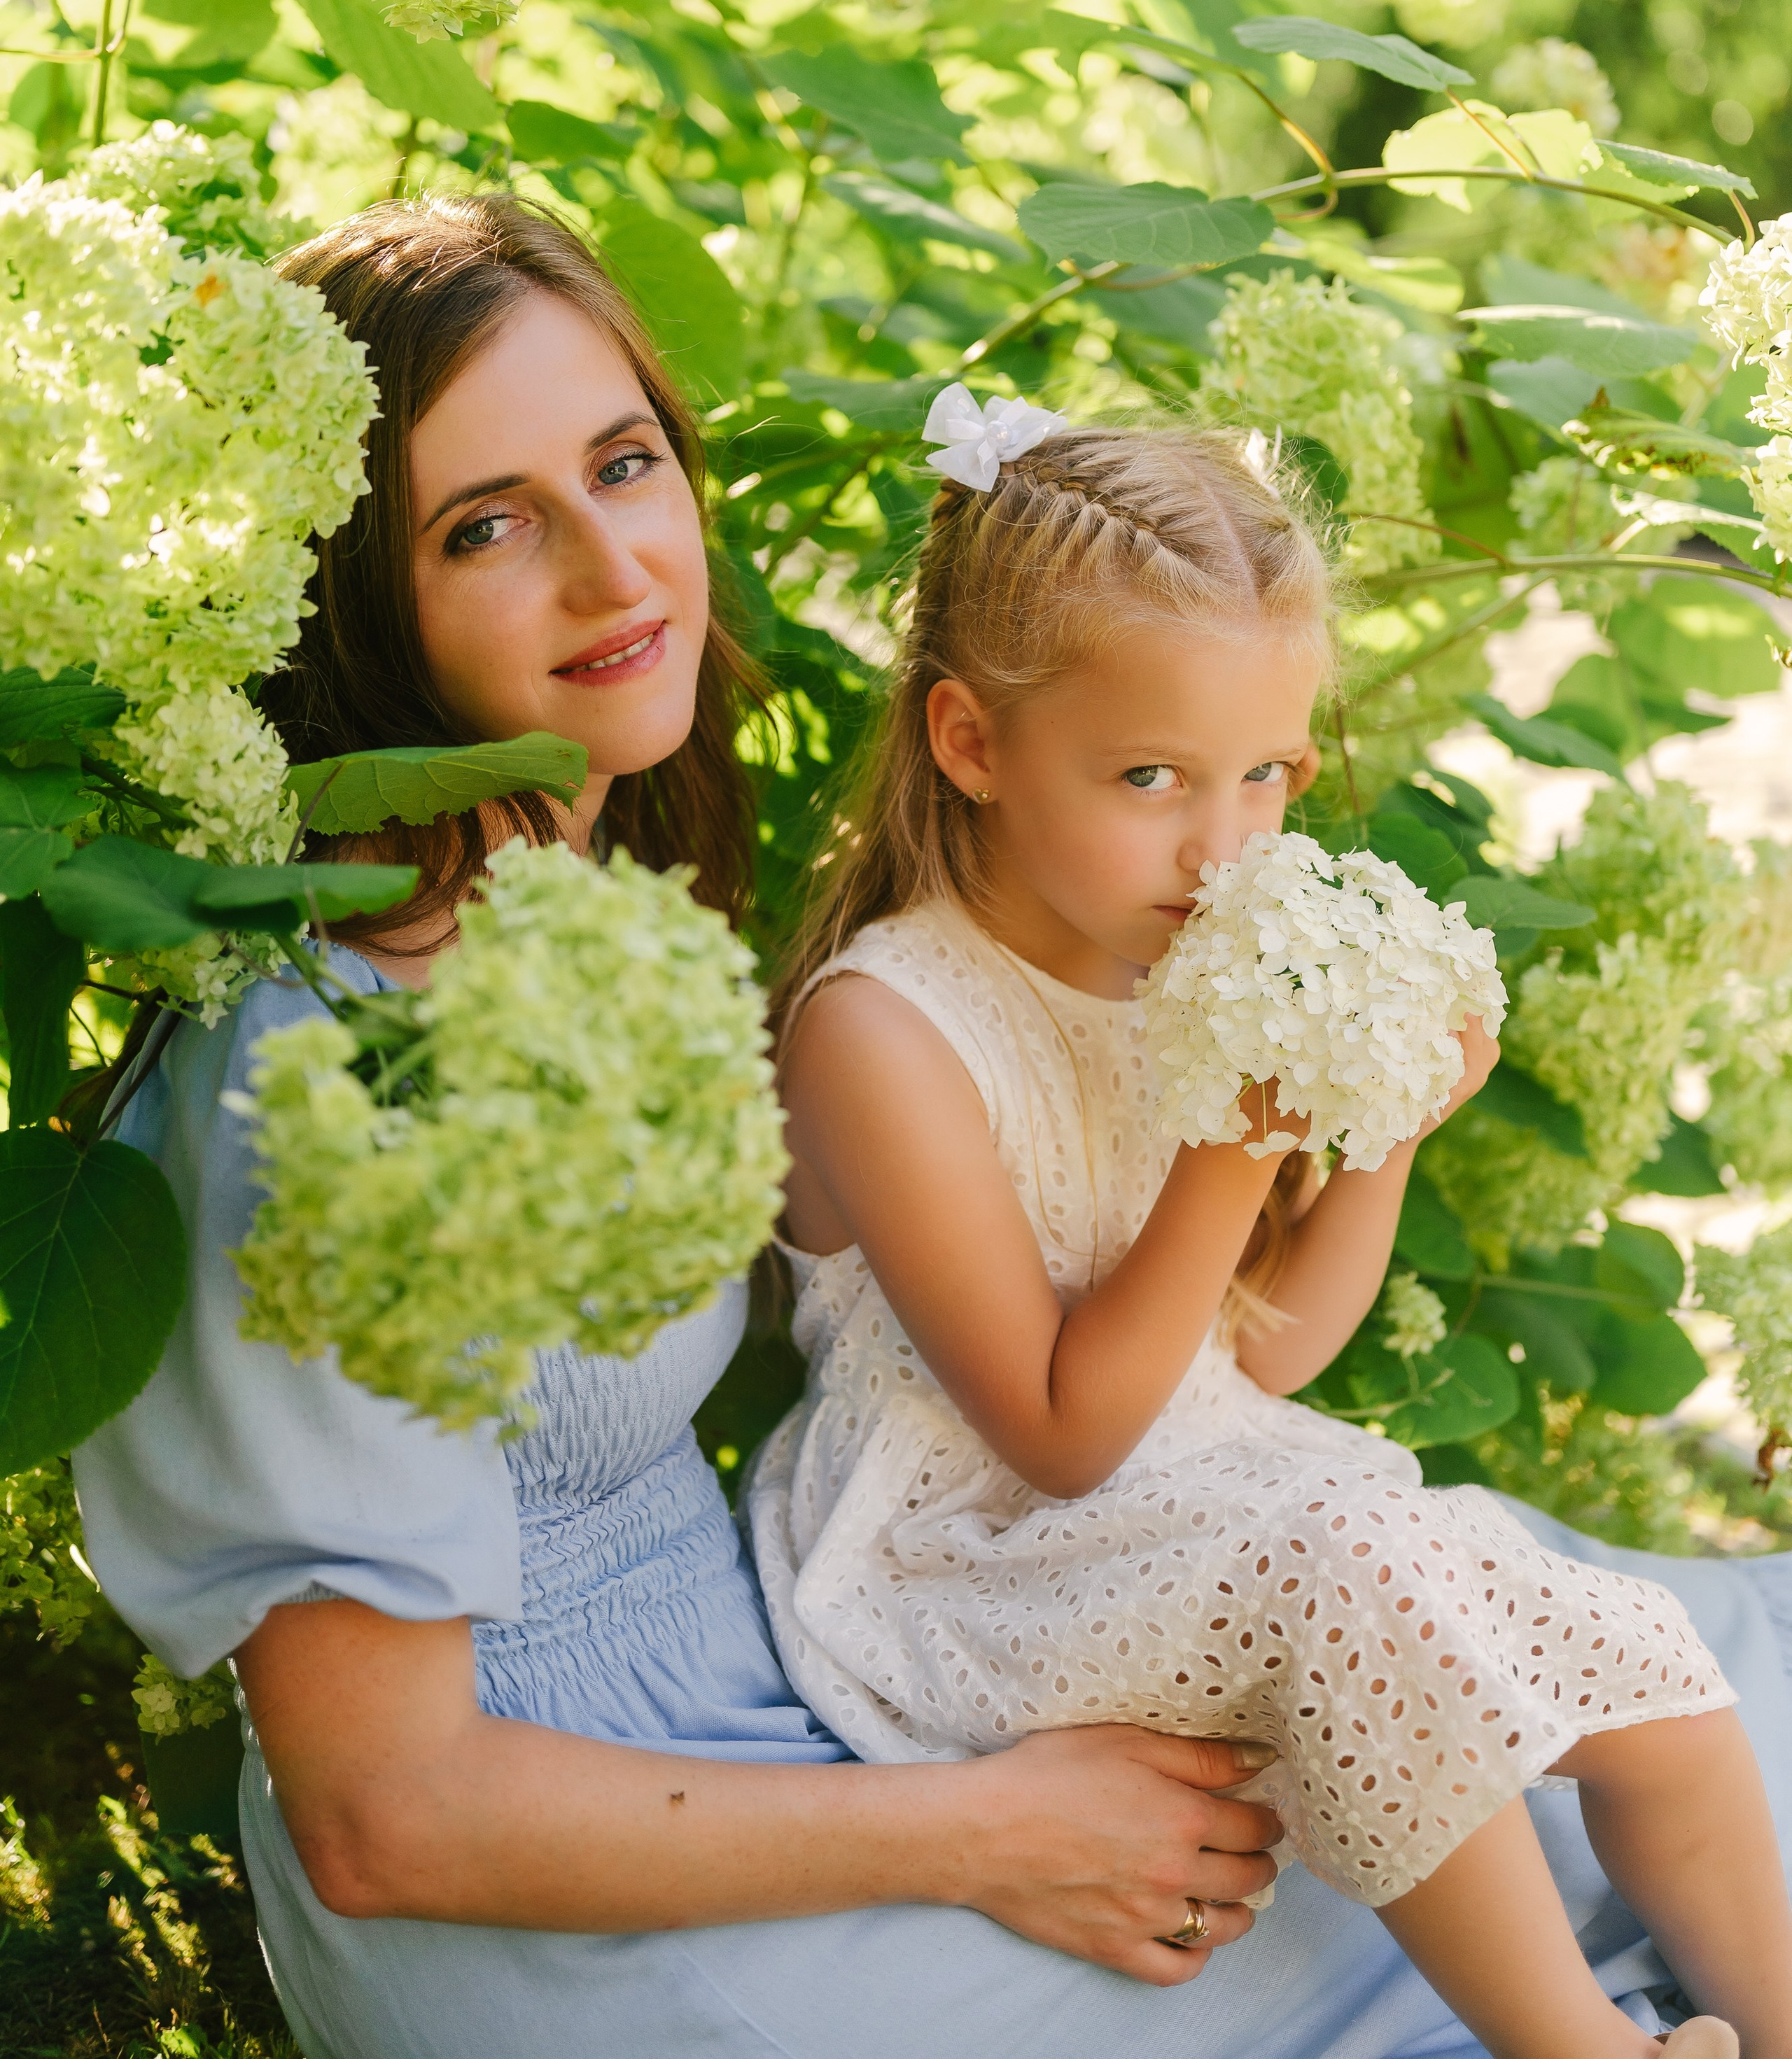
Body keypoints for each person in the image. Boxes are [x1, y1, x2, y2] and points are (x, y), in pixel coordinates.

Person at [68, 197, 1792, 2059]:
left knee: (1592, 1708)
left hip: (773, 1708)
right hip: (571, 1908)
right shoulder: (309, 1073)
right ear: (347, 589)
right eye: (484, 524)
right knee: (1415, 1866)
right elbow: (384, 1818)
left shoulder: (575, 917)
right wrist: (997, 1829)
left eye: (626, 466)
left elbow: (1214, 1359)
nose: (611, 568)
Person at [752, 404, 1792, 2059]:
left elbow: (1264, 1351)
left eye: (1266, 776)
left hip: (1205, 1489)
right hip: (979, 1560)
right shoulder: (882, 1032)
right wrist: (1234, 1147)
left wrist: (1373, 1134)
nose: (1222, 842)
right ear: (967, 740)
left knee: (1633, 1652)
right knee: (1354, 1578)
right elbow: (1066, 1430)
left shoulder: (1172, 958)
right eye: (1149, 775)